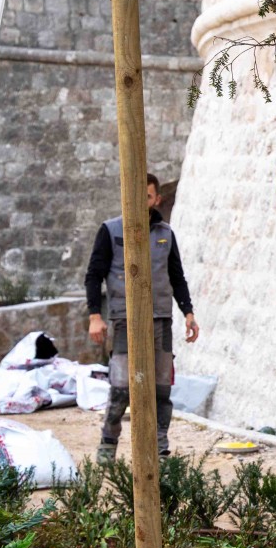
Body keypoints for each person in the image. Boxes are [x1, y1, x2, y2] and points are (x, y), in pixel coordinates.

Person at [84, 173, 199, 460]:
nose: (141, 201)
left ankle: (160, 446)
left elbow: (177, 276)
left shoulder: (165, 233)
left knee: (161, 388)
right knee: (122, 386)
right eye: (136, 195)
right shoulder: (110, 230)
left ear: (156, 199)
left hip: (160, 319)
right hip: (125, 319)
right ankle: (108, 444)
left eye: (147, 196)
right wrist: (94, 316)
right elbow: (93, 275)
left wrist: (188, 313)